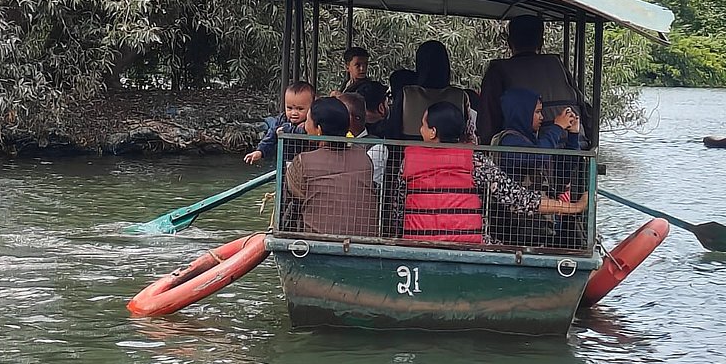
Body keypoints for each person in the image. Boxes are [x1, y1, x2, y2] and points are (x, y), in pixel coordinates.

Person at [396, 102, 586, 245]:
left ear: (432, 132)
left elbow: (398, 210)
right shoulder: (476, 162)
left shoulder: (409, 162)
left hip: (417, 243)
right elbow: (519, 199)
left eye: (423, 125)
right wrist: (573, 207)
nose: (420, 129)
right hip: (470, 246)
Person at [490, 87, 584, 247]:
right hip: (518, 228)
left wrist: (573, 136)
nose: (542, 117)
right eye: (537, 112)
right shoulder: (508, 141)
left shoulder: (535, 142)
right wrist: (557, 127)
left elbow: (562, 172)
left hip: (543, 224)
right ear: (522, 113)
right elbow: (536, 157)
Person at [477, 15, 583, 144]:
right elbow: (583, 107)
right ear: (541, 42)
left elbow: (487, 120)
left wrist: (488, 147)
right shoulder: (557, 65)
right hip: (574, 145)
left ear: (510, 42)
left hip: (533, 152)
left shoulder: (499, 70)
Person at [285, 96, 380, 237]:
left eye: (308, 121)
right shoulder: (364, 159)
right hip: (363, 242)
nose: (305, 126)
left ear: (319, 129)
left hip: (316, 243)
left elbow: (294, 198)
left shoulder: (303, 162)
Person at [244, 81, 315, 164]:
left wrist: (285, 129)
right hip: (286, 162)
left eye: (300, 109)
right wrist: (260, 151)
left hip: (307, 164)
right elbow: (270, 136)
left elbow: (303, 132)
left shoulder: (311, 121)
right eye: (289, 108)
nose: (294, 113)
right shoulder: (282, 119)